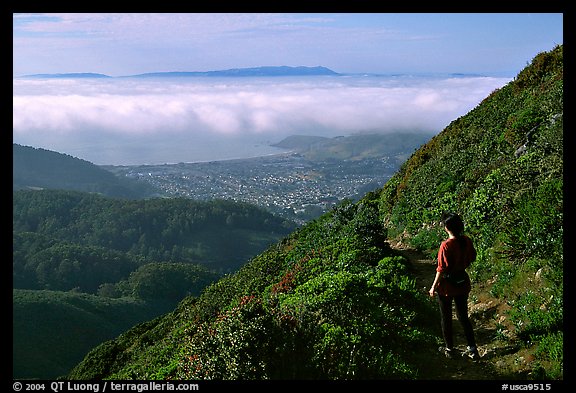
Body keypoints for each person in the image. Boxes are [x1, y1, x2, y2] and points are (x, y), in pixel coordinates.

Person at [428, 212, 480, 360]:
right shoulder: (466, 241)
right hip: (462, 281)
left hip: (447, 286)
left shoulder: (446, 245)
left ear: (446, 228)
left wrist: (433, 287)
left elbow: (441, 268)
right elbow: (472, 257)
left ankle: (449, 349)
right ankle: (472, 348)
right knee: (463, 316)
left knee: (446, 317)